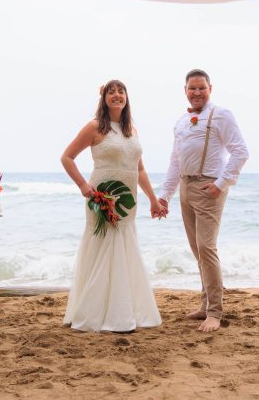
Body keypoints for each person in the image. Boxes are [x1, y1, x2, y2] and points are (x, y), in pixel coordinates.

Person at [60, 80, 163, 332]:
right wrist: (84, 186)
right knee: (104, 247)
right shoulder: (95, 126)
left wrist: (153, 198)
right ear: (104, 98)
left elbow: (139, 168)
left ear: (126, 97)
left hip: (128, 200)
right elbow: (67, 157)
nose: (117, 95)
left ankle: (122, 310)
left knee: (124, 249)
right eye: (111, 92)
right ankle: (96, 313)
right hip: (102, 197)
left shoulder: (132, 130)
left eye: (121, 91)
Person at [158, 69, 249, 333]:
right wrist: (165, 195)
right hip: (186, 186)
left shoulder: (221, 115)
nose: (197, 92)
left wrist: (221, 184)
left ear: (210, 88)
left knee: (207, 249)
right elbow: (175, 162)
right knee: (198, 251)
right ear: (185, 90)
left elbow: (241, 152)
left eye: (201, 88)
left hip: (209, 187)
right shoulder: (180, 122)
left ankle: (215, 312)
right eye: (192, 88)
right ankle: (205, 303)